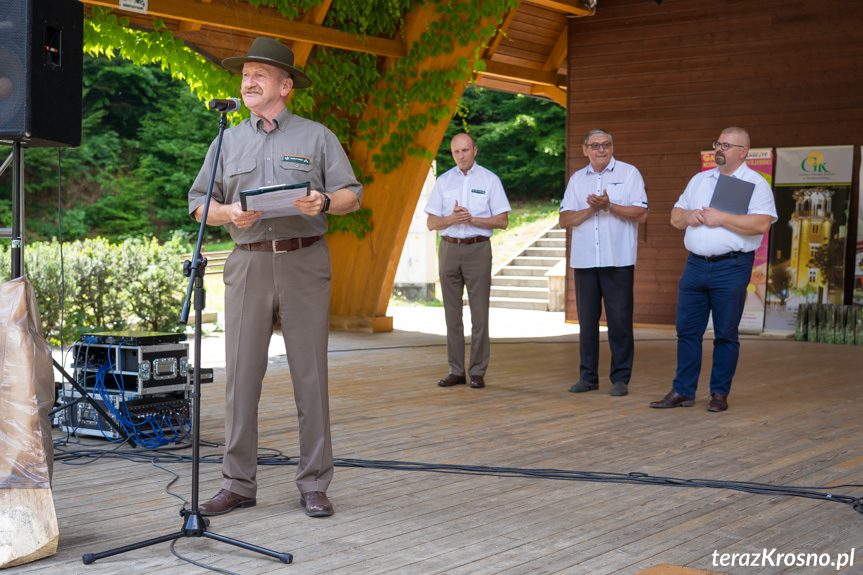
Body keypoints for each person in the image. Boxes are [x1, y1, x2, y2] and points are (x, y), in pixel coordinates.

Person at [187, 37, 362, 517]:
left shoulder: (317, 136)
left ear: (285, 86)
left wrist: (323, 201)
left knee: (310, 376)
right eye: (244, 74)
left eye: (259, 74)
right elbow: (199, 202)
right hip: (247, 261)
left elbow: (351, 193)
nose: (247, 81)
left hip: (305, 260)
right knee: (240, 377)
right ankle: (237, 483)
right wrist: (226, 213)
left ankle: (314, 484)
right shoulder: (227, 139)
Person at [650, 127, 776, 412]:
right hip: (695, 265)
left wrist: (723, 218)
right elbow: (674, 216)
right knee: (687, 331)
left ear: (743, 152)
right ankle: (683, 391)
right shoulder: (700, 179)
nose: (720, 149)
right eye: (718, 144)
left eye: (727, 146)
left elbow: (762, 224)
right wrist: (688, 216)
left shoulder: (756, 183)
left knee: (725, 334)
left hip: (731, 266)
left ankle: (719, 393)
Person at [559, 129, 648, 397]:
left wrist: (610, 207)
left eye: (606, 144)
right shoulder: (577, 180)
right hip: (585, 261)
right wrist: (592, 209)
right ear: (584, 150)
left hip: (617, 259)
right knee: (586, 322)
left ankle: (620, 379)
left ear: (612, 147)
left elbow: (642, 213)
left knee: (619, 321)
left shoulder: (629, 173)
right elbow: (564, 220)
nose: (601, 149)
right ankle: (588, 378)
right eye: (595, 145)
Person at [425, 133, 511, 390]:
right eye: (456, 152)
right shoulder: (444, 181)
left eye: (465, 150)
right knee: (451, 315)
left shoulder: (490, 180)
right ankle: (455, 371)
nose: (461, 156)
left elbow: (502, 221)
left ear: (475, 150)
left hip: (478, 249)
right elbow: (431, 223)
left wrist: (473, 219)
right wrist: (451, 219)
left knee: (479, 314)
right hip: (449, 249)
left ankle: (477, 371)